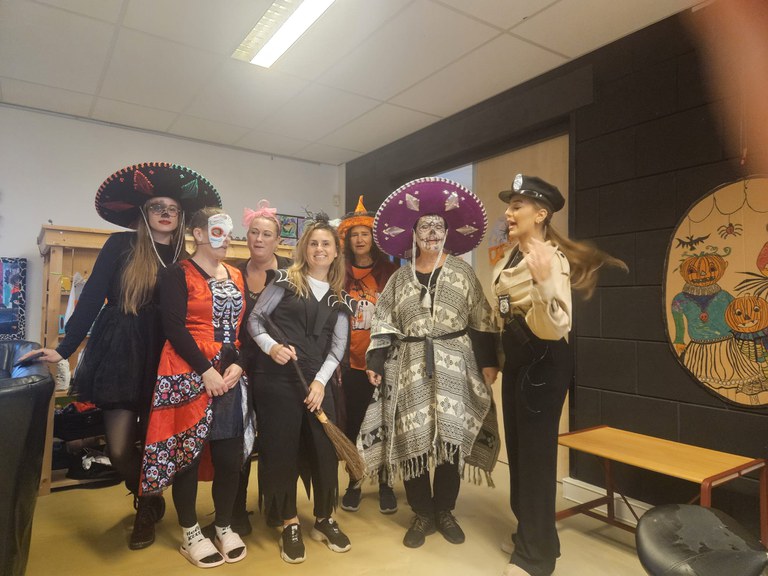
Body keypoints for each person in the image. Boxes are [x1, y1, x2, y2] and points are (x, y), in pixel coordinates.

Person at [18, 162, 220, 550]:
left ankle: (145, 510)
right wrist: (62, 349)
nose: (165, 212)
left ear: (180, 218)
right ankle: (146, 494)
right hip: (123, 351)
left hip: (169, 355)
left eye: (172, 208)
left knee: (160, 441)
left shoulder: (188, 257)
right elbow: (92, 297)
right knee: (119, 447)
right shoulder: (120, 245)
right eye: (157, 206)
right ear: (144, 213)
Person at [491, 174, 626, 576]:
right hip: (519, 359)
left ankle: (537, 558)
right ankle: (532, 533)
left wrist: (545, 281)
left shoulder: (552, 260)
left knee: (535, 458)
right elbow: (501, 311)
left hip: (544, 360)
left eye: (516, 206)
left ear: (541, 213)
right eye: (509, 205)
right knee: (518, 451)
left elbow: (554, 328)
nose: (508, 212)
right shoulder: (511, 257)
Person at [359, 177, 500, 549]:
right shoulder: (399, 278)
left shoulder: (463, 272)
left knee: (450, 440)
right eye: (425, 227)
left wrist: (489, 363)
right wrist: (375, 358)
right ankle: (422, 512)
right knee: (413, 439)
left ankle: (445, 510)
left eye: (438, 227)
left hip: (458, 364)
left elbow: (482, 317)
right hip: (409, 367)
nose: (432, 233)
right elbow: (384, 320)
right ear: (414, 233)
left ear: (447, 232)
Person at [140, 207, 256, 568]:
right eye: (218, 230)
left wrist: (240, 363)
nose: (228, 238)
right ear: (199, 234)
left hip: (230, 374)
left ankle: (222, 524)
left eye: (230, 231)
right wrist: (205, 369)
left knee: (228, 455)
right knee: (188, 456)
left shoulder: (237, 275)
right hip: (187, 370)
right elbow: (174, 327)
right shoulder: (177, 274)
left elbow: (247, 328)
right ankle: (190, 533)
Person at [248, 214, 355, 564]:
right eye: (313, 243)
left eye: (326, 244)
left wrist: (321, 382)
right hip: (278, 382)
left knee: (325, 452)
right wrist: (271, 347)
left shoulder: (340, 300)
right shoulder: (283, 282)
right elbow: (255, 320)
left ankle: (324, 518)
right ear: (304, 248)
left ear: (336, 251)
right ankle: (289, 522)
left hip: (317, 386)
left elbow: (337, 348)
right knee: (282, 451)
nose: (319, 249)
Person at [229, 200, 292, 535]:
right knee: (239, 440)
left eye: (267, 234)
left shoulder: (290, 275)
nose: (259, 239)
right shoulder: (232, 272)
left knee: (274, 443)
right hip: (238, 369)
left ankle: (275, 507)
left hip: (276, 370)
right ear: (247, 235)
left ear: (277, 241)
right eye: (254, 232)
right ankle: (236, 513)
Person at [336, 196, 399, 514]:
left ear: (374, 238)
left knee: (384, 426)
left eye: (365, 233)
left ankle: (386, 482)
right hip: (348, 364)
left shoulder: (389, 272)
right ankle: (355, 481)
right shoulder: (340, 273)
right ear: (347, 239)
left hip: (382, 362)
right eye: (354, 234)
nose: (360, 239)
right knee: (353, 426)